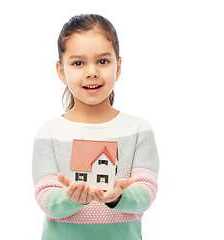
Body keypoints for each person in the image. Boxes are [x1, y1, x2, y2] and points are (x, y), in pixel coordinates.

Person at [32, 14, 159, 240]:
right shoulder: (49, 132)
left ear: (118, 67)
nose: (92, 71)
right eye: (78, 63)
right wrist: (69, 198)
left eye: (102, 61)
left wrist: (118, 197)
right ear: (61, 71)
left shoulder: (139, 129)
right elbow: (46, 199)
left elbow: (146, 192)